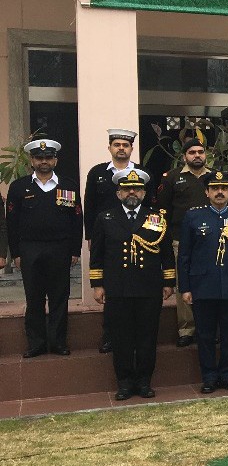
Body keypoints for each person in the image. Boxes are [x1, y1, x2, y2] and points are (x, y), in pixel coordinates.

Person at [89, 168, 173, 399]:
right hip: (118, 287)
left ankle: (144, 381)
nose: (131, 192)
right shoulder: (105, 218)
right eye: (126, 189)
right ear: (118, 193)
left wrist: (169, 281)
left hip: (149, 286)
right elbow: (97, 255)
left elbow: (166, 253)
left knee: (147, 336)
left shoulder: (156, 218)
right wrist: (98, 284)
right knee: (121, 337)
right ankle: (124, 383)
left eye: (136, 188)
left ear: (144, 193)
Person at [178, 171, 228, 394]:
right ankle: (209, 376)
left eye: (224, 188)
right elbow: (184, 255)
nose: (219, 192)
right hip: (203, 285)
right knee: (205, 335)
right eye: (215, 188)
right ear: (207, 192)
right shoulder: (193, 217)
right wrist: (185, 287)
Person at [8, 139, 81, 358]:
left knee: (59, 297)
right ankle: (36, 343)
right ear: (32, 160)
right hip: (30, 250)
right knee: (34, 298)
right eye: (39, 158)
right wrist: (17, 254)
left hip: (60, 248)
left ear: (55, 160)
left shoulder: (68, 185)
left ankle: (58, 342)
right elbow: (11, 222)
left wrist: (75, 250)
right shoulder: (19, 187)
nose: (44, 162)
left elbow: (77, 220)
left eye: (48, 158)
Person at [84, 129, 145, 354]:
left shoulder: (142, 173)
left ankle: (139, 336)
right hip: (108, 238)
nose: (121, 148)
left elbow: (151, 207)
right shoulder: (97, 173)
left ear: (131, 149)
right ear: (110, 147)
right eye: (117, 144)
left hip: (136, 237)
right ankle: (110, 336)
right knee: (112, 291)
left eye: (125, 145)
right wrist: (90, 236)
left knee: (137, 289)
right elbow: (89, 205)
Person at [155, 138, 214, 347]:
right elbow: (163, 210)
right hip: (181, 240)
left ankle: (207, 328)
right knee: (185, 285)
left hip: (212, 241)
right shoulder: (172, 178)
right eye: (192, 152)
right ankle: (186, 329)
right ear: (184, 156)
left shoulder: (215, 177)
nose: (197, 155)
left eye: (200, 152)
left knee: (208, 282)